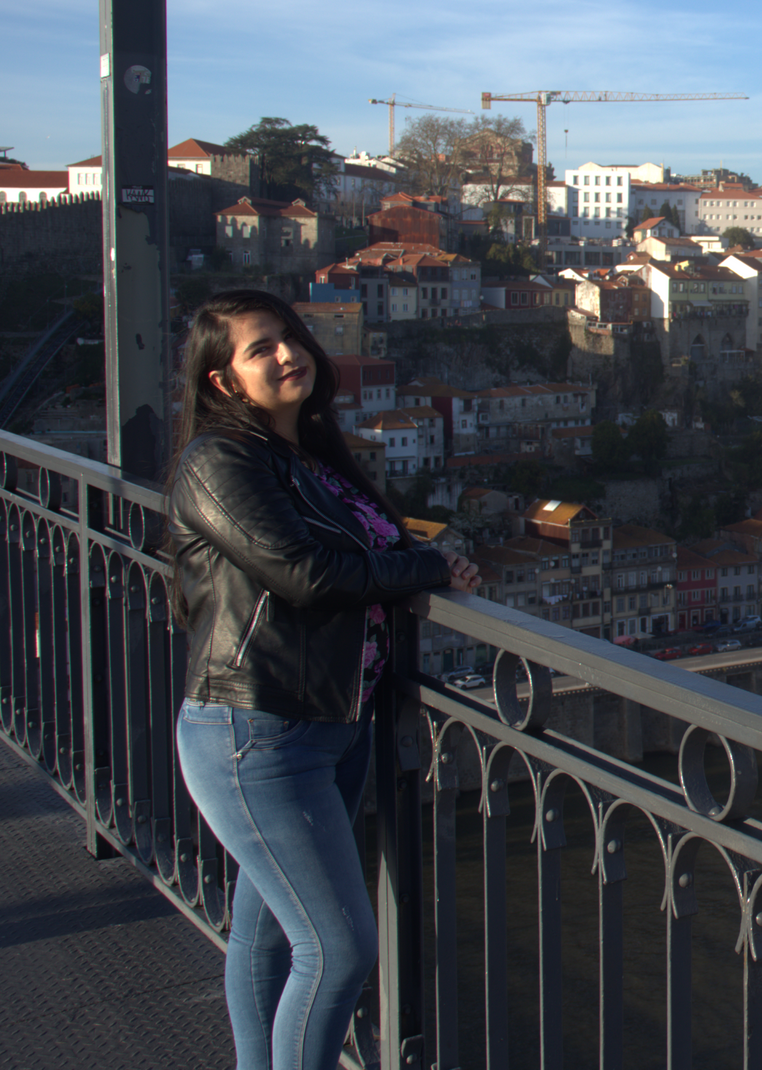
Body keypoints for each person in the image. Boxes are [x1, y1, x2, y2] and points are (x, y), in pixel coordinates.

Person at [168, 289, 480, 1070]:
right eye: (261, 348)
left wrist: (421, 561)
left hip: (335, 722)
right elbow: (304, 573)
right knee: (338, 948)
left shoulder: (307, 454)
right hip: (258, 729)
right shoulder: (218, 461)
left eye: (291, 336)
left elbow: (369, 552)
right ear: (222, 380)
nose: (288, 353)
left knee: (268, 933)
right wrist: (426, 567)